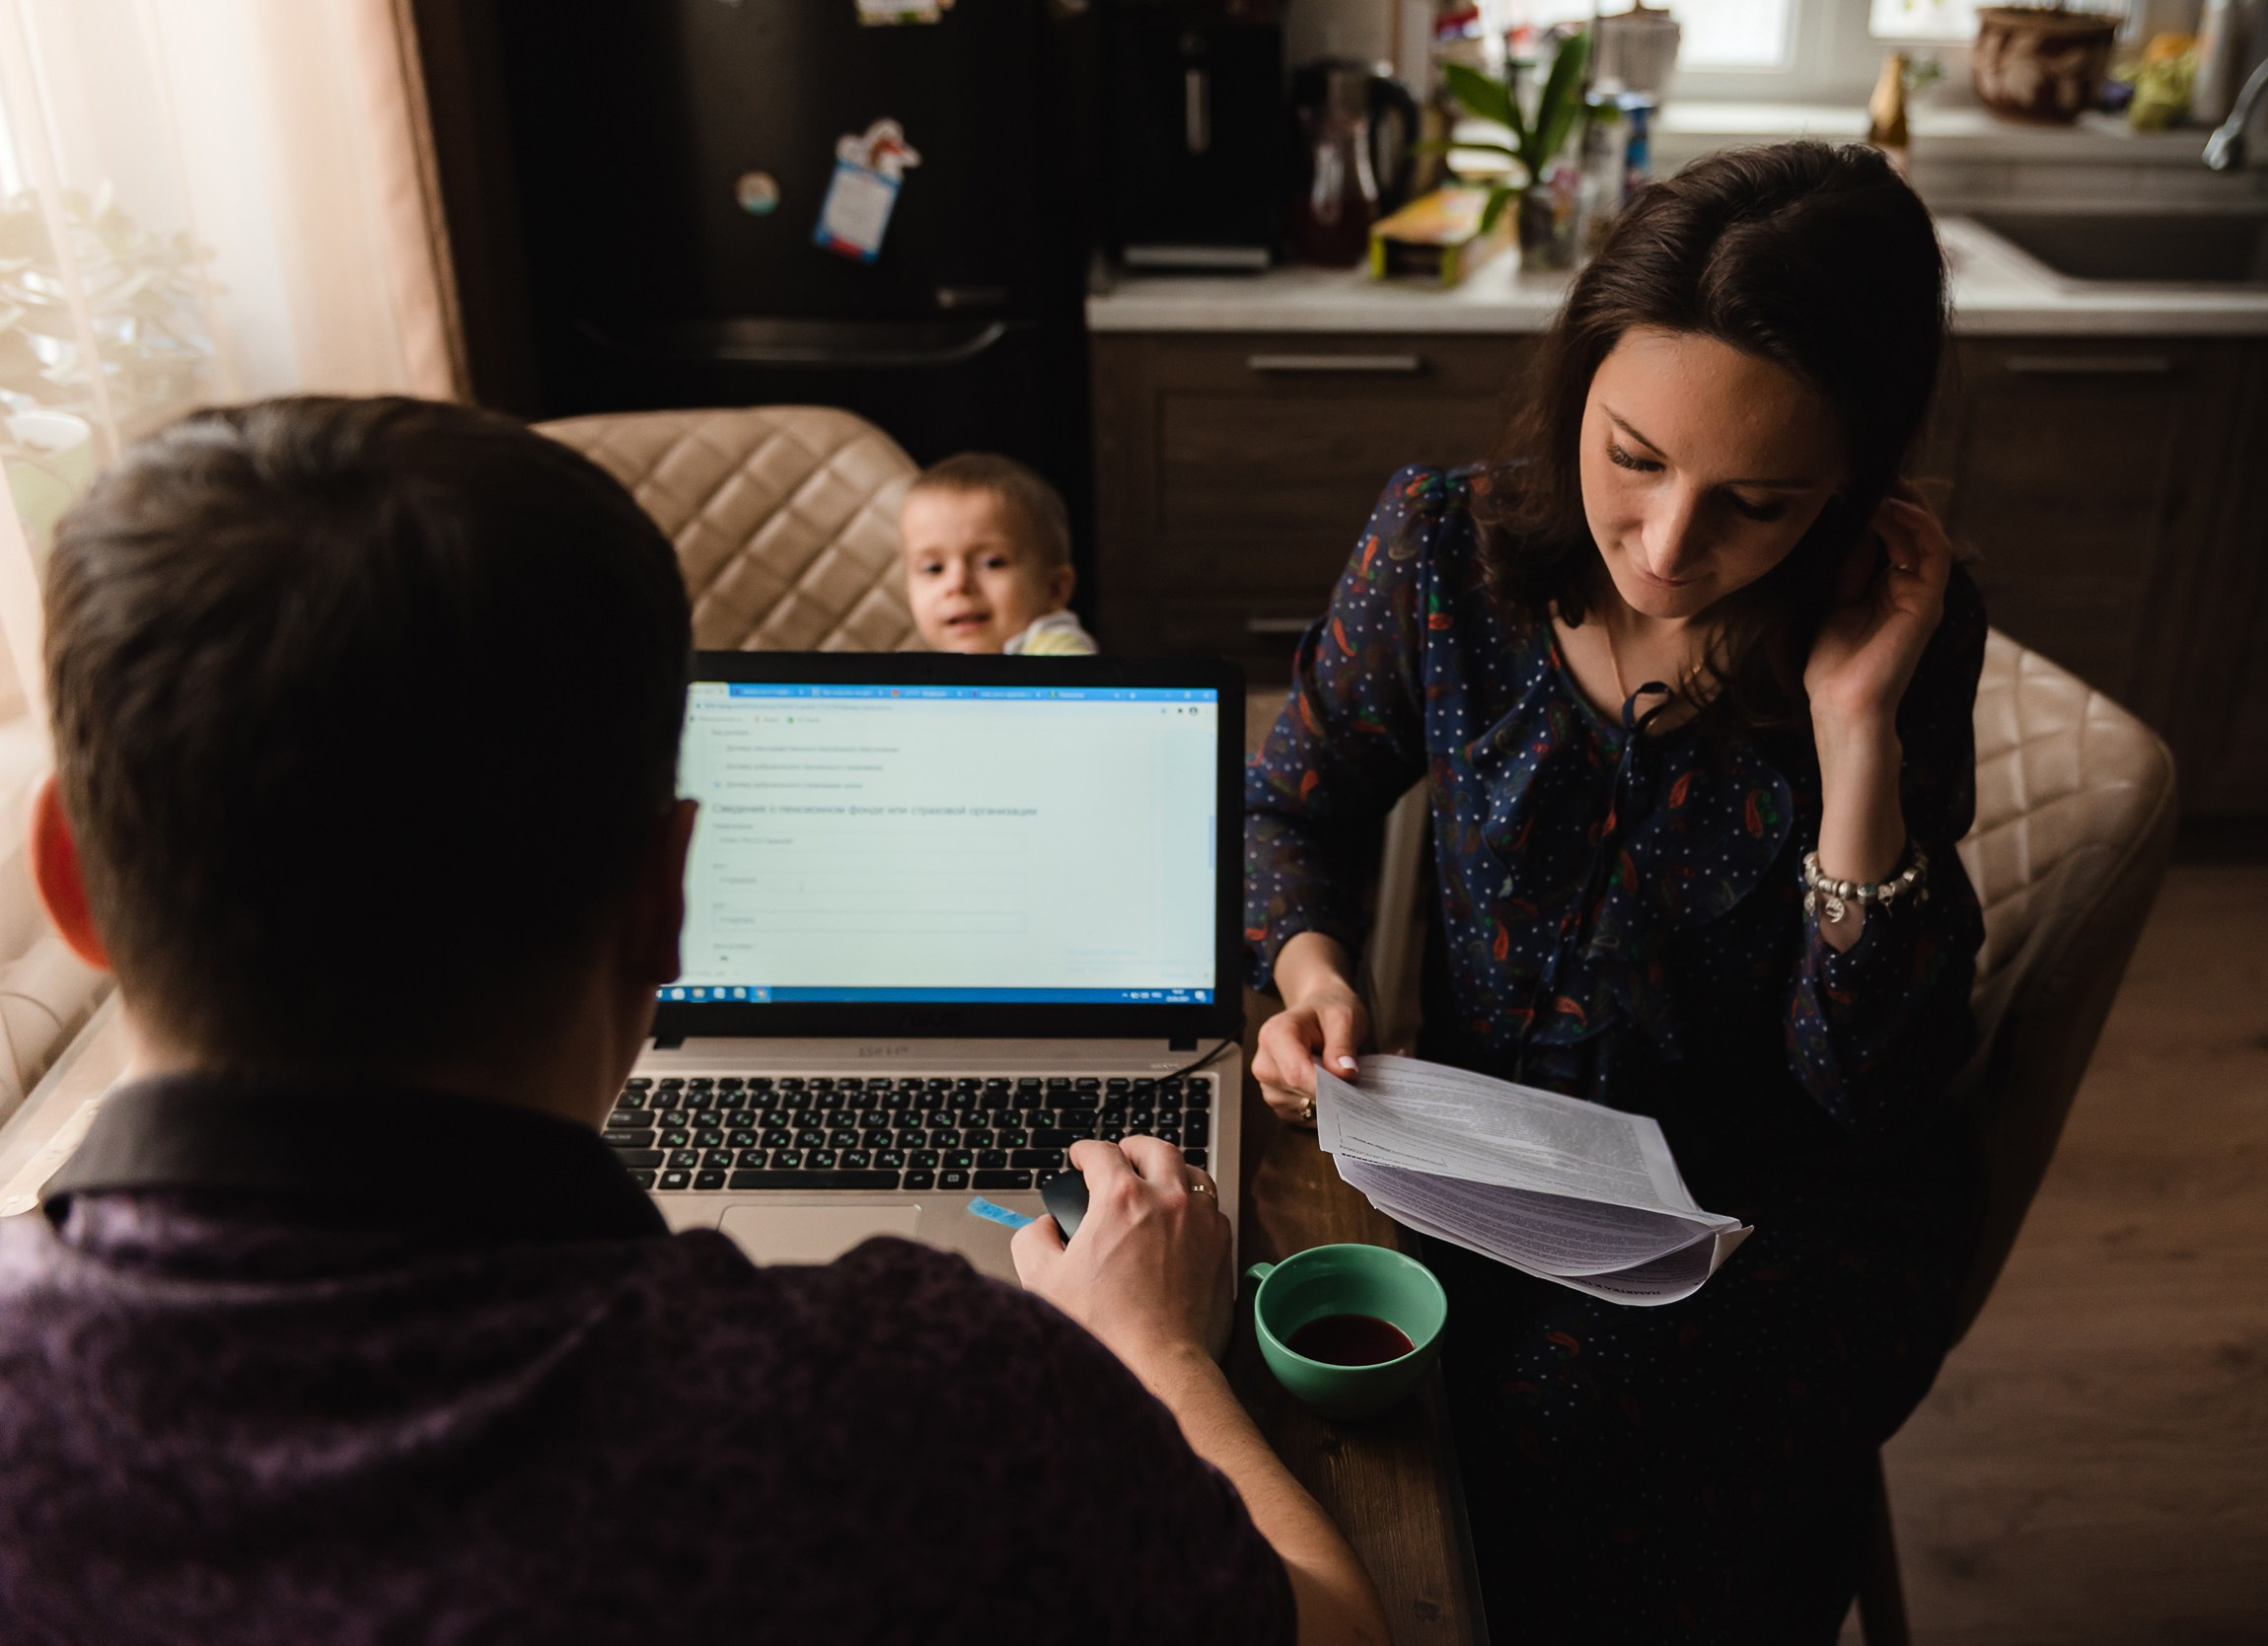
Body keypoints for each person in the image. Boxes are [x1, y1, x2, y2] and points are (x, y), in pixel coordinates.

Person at [0, 397, 1387, 1646]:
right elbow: (1331, 1629)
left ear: (71, 881)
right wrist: (1157, 1351)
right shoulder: (921, 1399)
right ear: (670, 893)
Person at [1247, 143, 1988, 1643]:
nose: (1665, 546)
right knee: (1293, 1364)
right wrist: (1311, 968)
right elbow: (1292, 804)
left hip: (1775, 1216)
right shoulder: (1442, 551)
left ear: (1851, 488)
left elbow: (1869, 1087)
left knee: (1545, 1434)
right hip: (1489, 1159)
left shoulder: (1897, 637)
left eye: (1757, 502)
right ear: (1577, 377)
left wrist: (1853, 737)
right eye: (1634, 457)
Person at [902, 451, 1097, 655]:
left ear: (1054, 589)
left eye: (992, 563)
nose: (958, 584)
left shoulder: (1056, 653)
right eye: (933, 568)